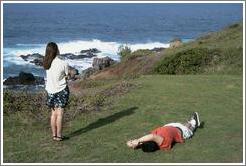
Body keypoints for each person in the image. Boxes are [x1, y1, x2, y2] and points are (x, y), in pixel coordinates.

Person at [126, 112, 202, 152]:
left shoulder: (155, 140)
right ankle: (194, 123)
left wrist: (133, 143)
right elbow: (152, 137)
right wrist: (138, 140)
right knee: (190, 125)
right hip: (183, 132)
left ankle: (190, 122)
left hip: (172, 127)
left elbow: (148, 140)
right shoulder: (162, 143)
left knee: (183, 124)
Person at [43, 42, 70, 141]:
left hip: (50, 90)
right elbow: (67, 76)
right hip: (61, 90)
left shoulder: (46, 63)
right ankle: (59, 136)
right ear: (57, 50)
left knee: (53, 114)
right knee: (60, 114)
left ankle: (54, 135)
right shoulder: (63, 63)